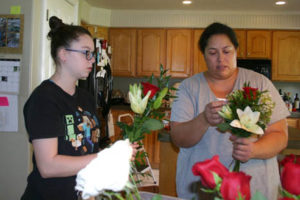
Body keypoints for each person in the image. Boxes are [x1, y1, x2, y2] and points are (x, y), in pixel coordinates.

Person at [21, 16, 137, 200]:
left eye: (93, 54)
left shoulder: (85, 97)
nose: (92, 59)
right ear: (63, 54)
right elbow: (48, 166)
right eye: (86, 53)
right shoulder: (44, 99)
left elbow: (86, 150)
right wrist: (105, 158)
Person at [170, 22, 289, 200]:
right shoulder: (189, 87)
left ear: (236, 51)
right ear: (203, 55)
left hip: (255, 187)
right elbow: (177, 137)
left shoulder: (260, 83)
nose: (220, 59)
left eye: (227, 51)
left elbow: (280, 135)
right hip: (204, 188)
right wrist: (203, 119)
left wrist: (254, 149)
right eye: (212, 53)